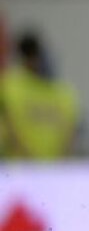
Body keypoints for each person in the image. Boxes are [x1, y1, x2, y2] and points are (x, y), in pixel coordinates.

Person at [0, 31, 80, 159]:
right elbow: (9, 129)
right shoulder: (8, 86)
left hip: (53, 172)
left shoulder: (63, 91)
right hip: (18, 171)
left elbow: (70, 135)